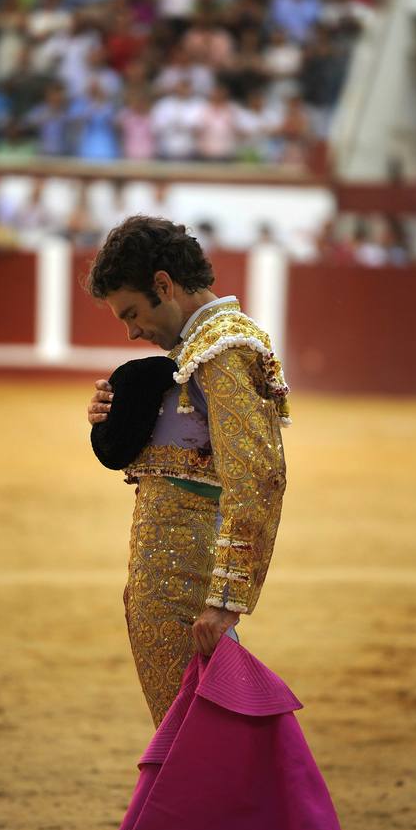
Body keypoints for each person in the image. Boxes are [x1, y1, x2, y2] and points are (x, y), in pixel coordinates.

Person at [87, 215, 290, 728]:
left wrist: (226, 598)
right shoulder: (200, 352)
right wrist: (121, 422)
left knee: (199, 744)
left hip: (189, 580)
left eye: (132, 313)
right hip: (173, 575)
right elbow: (191, 462)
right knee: (197, 739)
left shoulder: (224, 350)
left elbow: (256, 477)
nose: (132, 331)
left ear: (163, 285)